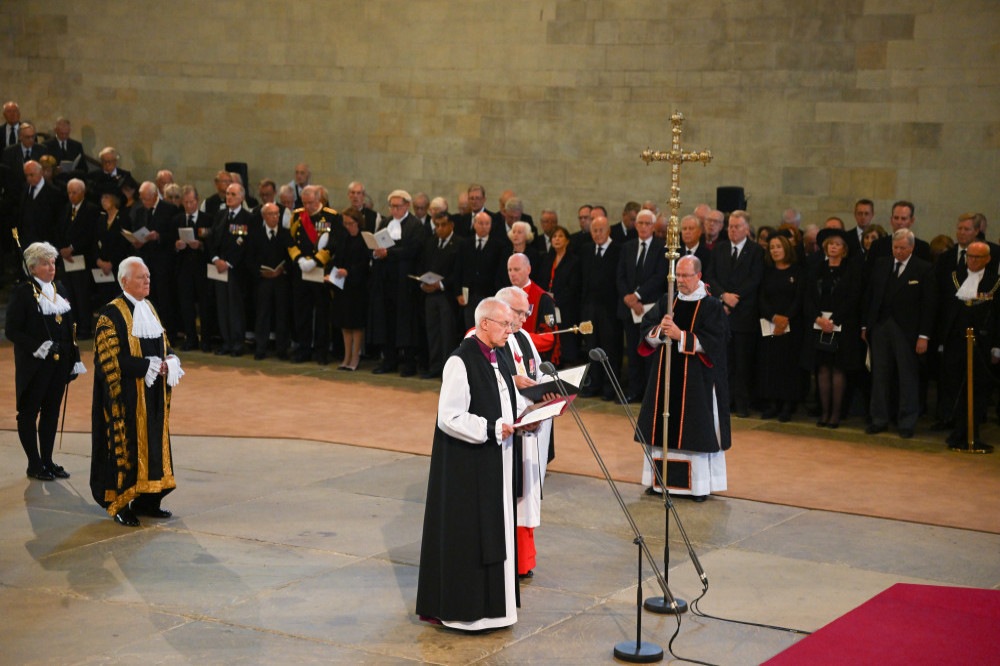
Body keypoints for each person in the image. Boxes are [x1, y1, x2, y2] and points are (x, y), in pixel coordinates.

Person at [416, 297, 530, 631]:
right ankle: (467, 614)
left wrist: (525, 418)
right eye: (505, 324)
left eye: (511, 323)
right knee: (473, 536)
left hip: (498, 460)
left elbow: (504, 399)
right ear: (484, 324)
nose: (511, 330)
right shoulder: (460, 361)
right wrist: (492, 428)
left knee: (496, 532)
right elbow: (448, 417)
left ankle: (498, 609)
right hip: (470, 465)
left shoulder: (499, 356)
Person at [90, 256, 183, 527]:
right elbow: (109, 360)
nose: (147, 281)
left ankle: (148, 500)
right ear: (124, 281)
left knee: (153, 447)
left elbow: (165, 343)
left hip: (152, 395)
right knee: (125, 451)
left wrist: (172, 361)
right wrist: (148, 366)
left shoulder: (149, 307)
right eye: (141, 277)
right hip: (126, 399)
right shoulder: (111, 314)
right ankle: (121, 504)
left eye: (148, 276)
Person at [635, 255, 731, 501]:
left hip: (696, 380)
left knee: (693, 429)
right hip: (665, 376)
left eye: (685, 276)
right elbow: (647, 327)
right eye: (677, 275)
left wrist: (680, 335)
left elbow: (716, 342)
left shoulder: (711, 306)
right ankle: (659, 483)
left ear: (698, 276)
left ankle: (696, 487)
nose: (680, 280)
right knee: (661, 426)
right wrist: (660, 331)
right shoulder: (669, 300)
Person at [6, 241, 85, 481]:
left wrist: (75, 360)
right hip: (35, 364)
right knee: (29, 412)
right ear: (32, 268)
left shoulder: (60, 287)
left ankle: (48, 461)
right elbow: (12, 330)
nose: (51, 268)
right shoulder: (23, 292)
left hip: (59, 363)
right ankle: (34, 463)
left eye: (52, 262)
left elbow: (70, 328)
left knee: (52, 412)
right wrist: (37, 347)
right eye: (45, 263)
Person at [495, 286, 555, 580]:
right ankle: (511, 559)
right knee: (511, 497)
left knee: (526, 495)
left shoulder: (524, 338)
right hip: (509, 430)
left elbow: (535, 375)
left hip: (530, 427)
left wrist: (553, 387)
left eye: (525, 312)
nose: (523, 318)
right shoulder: (486, 339)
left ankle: (524, 560)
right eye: (518, 312)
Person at [863, 228, 936, 438]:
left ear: (911, 247)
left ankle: (907, 421)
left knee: (907, 377)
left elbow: (928, 306)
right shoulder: (882, 264)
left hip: (907, 331)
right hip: (880, 326)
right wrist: (865, 326)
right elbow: (871, 296)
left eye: (903, 248)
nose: (899, 251)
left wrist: (924, 336)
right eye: (895, 247)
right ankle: (879, 418)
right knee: (879, 376)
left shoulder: (923, 269)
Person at [936, 241, 1000, 447]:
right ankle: (957, 430)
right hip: (955, 341)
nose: (972, 261)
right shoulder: (955, 277)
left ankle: (973, 434)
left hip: (981, 344)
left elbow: (998, 317)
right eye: (969, 256)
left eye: (977, 257)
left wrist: (997, 347)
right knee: (955, 386)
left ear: (987, 259)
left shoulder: (995, 282)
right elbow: (944, 311)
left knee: (978, 390)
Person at [705, 209, 764, 417]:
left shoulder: (756, 251)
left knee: (742, 362)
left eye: (737, 226)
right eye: (730, 226)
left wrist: (734, 298)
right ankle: (724, 402)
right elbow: (710, 275)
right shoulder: (720, 249)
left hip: (744, 314)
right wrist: (723, 296)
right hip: (722, 312)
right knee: (724, 361)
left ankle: (742, 404)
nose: (732, 230)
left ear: (746, 229)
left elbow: (754, 279)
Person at [801, 228, 862, 429]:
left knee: (838, 368)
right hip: (818, 323)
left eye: (838, 244)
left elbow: (853, 298)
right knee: (822, 369)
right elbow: (808, 296)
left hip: (842, 325)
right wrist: (819, 319)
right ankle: (824, 412)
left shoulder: (851, 269)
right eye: (830, 244)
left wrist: (834, 320)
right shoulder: (816, 267)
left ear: (844, 248)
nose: (833, 247)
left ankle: (836, 414)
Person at [757, 233, 805, 421]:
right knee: (770, 364)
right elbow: (761, 297)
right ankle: (772, 404)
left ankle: (787, 405)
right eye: (772, 248)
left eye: (778, 246)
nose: (775, 250)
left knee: (788, 366)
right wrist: (774, 317)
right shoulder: (767, 271)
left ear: (786, 248)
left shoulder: (798, 271)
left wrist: (785, 319)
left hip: (792, 325)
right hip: (769, 324)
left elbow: (799, 298)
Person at [247, 203, 292, 360]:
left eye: (277, 214)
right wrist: (261, 272)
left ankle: (282, 349)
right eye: (271, 214)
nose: (275, 217)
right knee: (262, 315)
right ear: (264, 216)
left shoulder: (286, 234)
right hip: (263, 281)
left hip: (281, 280)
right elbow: (250, 258)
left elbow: (291, 257)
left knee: (282, 315)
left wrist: (283, 269)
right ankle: (261, 347)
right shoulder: (255, 234)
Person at [329, 207, 370, 370]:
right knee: (344, 323)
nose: (347, 226)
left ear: (358, 222)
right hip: (342, 285)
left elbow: (365, 264)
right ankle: (346, 356)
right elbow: (337, 258)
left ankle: (355, 356)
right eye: (345, 223)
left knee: (355, 324)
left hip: (357, 287)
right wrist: (333, 272)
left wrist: (349, 272)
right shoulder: (343, 237)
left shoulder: (364, 238)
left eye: (350, 223)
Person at [536, 225, 580, 364]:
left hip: (566, 307)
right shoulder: (547, 259)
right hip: (549, 305)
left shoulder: (574, 260)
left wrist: (556, 300)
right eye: (554, 236)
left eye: (560, 236)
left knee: (566, 341)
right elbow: (542, 281)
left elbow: (573, 286)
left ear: (567, 240)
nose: (557, 239)